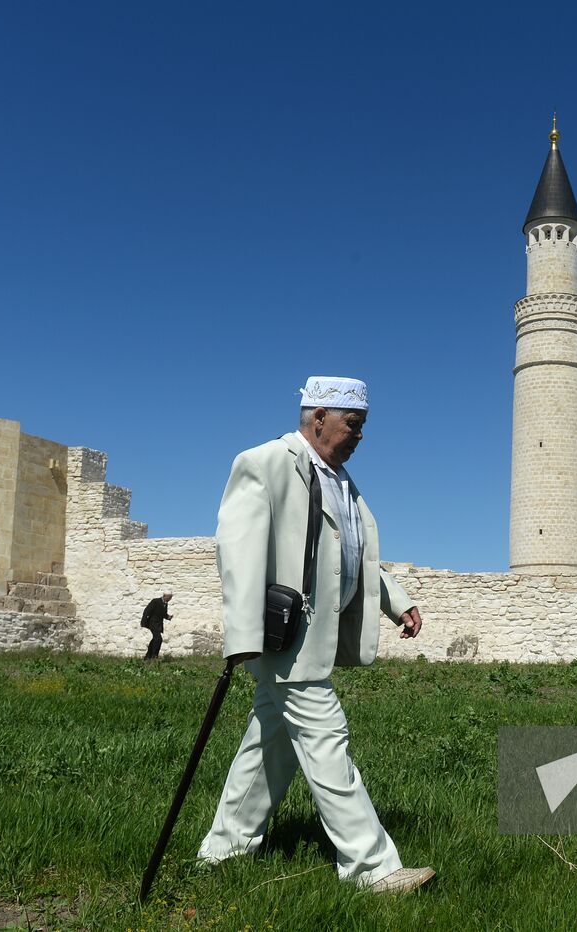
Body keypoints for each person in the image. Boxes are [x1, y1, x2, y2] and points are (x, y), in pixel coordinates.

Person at [198, 376, 435, 895]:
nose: (360, 436)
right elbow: (236, 551)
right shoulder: (265, 463)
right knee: (328, 742)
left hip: (313, 639)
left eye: (363, 426)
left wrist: (397, 602)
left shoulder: (341, 481)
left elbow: (354, 557)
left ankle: (223, 851)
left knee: (269, 748)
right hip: (285, 637)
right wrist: (242, 635)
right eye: (354, 424)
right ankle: (373, 868)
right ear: (319, 416)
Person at [141, 591, 173, 661]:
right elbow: (147, 611)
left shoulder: (165, 604)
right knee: (158, 639)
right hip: (152, 623)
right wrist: (143, 622)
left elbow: (163, 614)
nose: (170, 599)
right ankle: (154, 656)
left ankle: (148, 656)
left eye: (171, 597)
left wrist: (168, 617)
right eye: (169, 597)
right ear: (165, 596)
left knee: (155, 639)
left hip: (158, 624)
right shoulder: (155, 601)